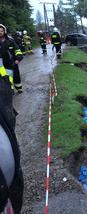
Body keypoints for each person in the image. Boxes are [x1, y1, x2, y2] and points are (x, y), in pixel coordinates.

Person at [0, 24, 24, 213]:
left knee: (15, 81)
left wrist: (18, 58)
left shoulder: (10, 41)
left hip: (9, 68)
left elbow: (17, 49)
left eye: (1, 29)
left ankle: (18, 89)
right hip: (2, 73)